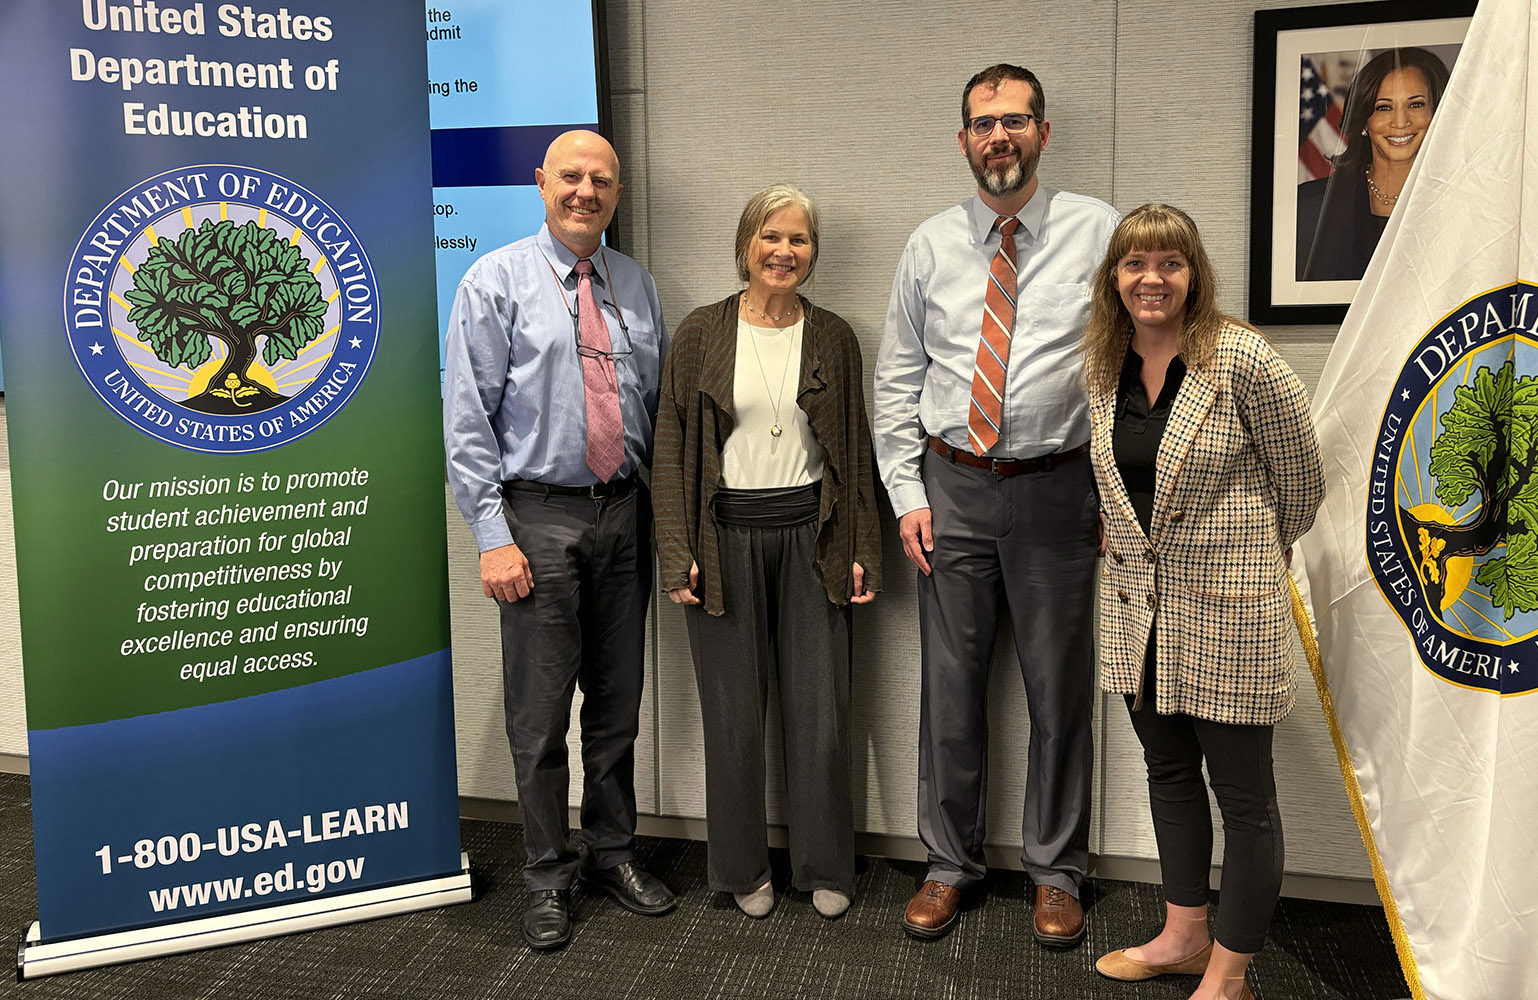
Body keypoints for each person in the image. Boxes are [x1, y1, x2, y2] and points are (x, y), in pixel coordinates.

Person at [872, 63, 1117, 947]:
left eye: (1015, 120)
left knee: (1059, 691)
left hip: (1060, 491)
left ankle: (1056, 871)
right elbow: (899, 378)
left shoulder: (1100, 232)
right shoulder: (929, 244)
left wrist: (1116, 494)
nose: (999, 137)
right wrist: (906, 494)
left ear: (1043, 133)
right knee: (951, 690)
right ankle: (950, 864)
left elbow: (1135, 359)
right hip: (953, 489)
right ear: (964, 139)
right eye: (983, 123)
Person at [1083, 204, 1325, 1000]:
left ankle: (1228, 974)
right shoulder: (1102, 363)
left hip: (1230, 613)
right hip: (1136, 612)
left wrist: (1244, 557)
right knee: (1167, 772)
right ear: (1114, 278)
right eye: (1134, 263)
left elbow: (1302, 483)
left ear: (1194, 274)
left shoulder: (1242, 360)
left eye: (1169, 263)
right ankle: (1183, 934)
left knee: (1246, 798)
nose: (1151, 278)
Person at [442, 129, 675, 951]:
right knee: (540, 718)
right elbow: (467, 418)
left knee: (617, 707)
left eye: (601, 180)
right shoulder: (494, 280)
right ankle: (547, 872)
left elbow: (656, 419)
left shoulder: (637, 286)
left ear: (616, 192)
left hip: (625, 515)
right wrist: (489, 535)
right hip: (536, 517)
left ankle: (613, 853)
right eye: (570, 176)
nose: (586, 191)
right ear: (542, 182)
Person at [653, 183, 881, 921]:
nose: (785, 251)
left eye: (800, 240)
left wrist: (861, 549)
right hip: (723, 541)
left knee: (820, 714)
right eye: (771, 237)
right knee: (732, 716)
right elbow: (669, 450)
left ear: (813, 253)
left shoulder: (834, 337)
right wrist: (676, 549)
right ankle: (742, 866)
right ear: (747, 245)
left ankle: (824, 862)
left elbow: (853, 449)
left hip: (812, 538)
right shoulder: (698, 333)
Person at [1296, 46, 1451, 281]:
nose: (1400, 122)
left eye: (1416, 104)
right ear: (1364, 122)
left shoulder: (1467, 202)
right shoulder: (1309, 207)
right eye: (1384, 107)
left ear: (1439, 113)